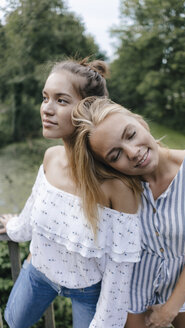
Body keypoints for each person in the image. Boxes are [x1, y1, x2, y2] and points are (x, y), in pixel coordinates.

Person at [0, 59, 142, 328]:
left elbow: (118, 272)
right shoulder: (50, 158)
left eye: (61, 101)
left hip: (88, 289)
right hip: (38, 270)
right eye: (45, 98)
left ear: (89, 108)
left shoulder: (116, 186)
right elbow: (34, 208)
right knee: (13, 321)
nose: (46, 109)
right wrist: (15, 228)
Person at [70, 96, 185, 328]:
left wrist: (169, 310)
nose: (132, 152)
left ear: (141, 123)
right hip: (132, 296)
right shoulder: (116, 189)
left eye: (130, 135)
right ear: (108, 165)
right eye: (115, 155)